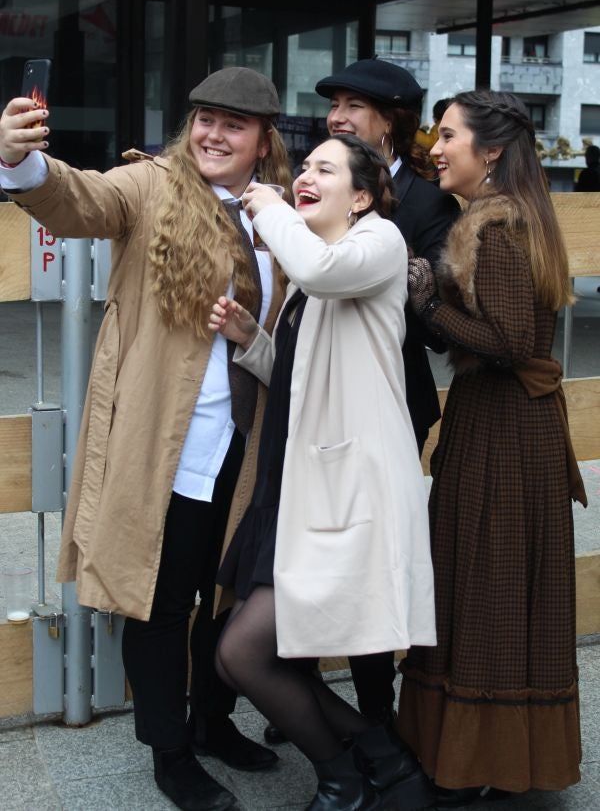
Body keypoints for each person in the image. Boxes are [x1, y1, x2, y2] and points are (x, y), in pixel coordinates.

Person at [0, 66, 293, 811]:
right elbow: (78, 200)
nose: (213, 134)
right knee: (160, 601)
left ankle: (212, 723)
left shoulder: (279, 211)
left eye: (234, 124)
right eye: (204, 119)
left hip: (248, 445)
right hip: (165, 446)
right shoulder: (154, 186)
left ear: (265, 139)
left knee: (226, 595)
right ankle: (169, 751)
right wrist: (19, 160)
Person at [208, 134, 437, 811]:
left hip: (355, 494)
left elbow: (317, 269)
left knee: (244, 651)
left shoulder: (380, 243)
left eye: (323, 170)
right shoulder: (317, 276)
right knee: (240, 651)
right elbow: (306, 383)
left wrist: (269, 207)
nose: (304, 176)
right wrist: (255, 342)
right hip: (305, 494)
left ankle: (346, 779)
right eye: (302, 167)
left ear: (361, 196)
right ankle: (383, 766)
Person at [398, 90, 587, 806]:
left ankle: (480, 760)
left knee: (485, 589)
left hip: (506, 431)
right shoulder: (503, 217)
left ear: (493, 151)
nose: (434, 148)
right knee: (489, 588)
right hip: (502, 423)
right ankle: (489, 756)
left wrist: (428, 304)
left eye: (448, 136)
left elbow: (509, 343)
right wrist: (435, 306)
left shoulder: (500, 227)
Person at [312, 58, 459, 728]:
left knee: (370, 568)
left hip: (390, 409)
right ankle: (299, 698)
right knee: (314, 556)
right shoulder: (314, 182)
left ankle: (377, 720)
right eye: (334, 104)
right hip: (314, 405)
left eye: (354, 106)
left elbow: (435, 329)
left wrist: (392, 270)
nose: (337, 116)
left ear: (392, 121)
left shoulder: (430, 204)